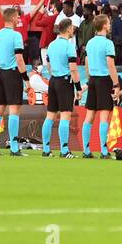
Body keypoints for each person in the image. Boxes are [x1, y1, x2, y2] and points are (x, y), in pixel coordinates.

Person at [0, 5, 27, 156]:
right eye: (18, 16)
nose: (19, 19)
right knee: (14, 110)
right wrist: (26, 78)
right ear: (13, 18)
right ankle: (14, 148)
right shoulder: (16, 36)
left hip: (0, 74)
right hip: (13, 74)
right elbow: (19, 59)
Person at [82, 14, 121, 159]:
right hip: (104, 80)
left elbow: (86, 63)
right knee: (104, 116)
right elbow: (110, 65)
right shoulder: (108, 43)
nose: (110, 25)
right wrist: (116, 84)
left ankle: (86, 150)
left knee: (89, 116)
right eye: (108, 23)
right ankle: (104, 151)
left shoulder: (90, 42)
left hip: (93, 79)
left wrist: (89, 79)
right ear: (104, 25)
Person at [40, 17, 78, 158]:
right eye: (72, 27)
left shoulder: (51, 45)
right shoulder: (69, 46)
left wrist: (54, 75)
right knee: (65, 115)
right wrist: (78, 87)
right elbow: (73, 69)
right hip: (65, 82)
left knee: (50, 115)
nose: (73, 30)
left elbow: (48, 65)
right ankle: (64, 150)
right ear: (68, 29)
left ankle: (46, 149)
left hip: (54, 81)